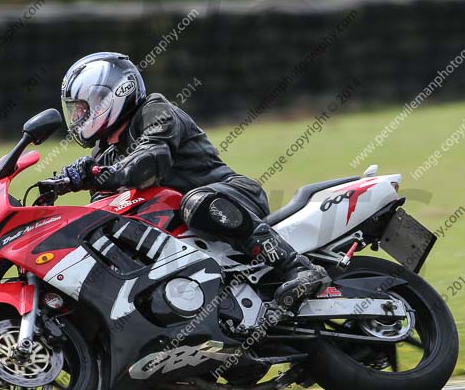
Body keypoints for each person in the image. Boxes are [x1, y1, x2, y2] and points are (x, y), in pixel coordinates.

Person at [56, 52, 328, 308]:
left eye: (82, 108)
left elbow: (150, 161)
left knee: (196, 202)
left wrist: (98, 175)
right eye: (75, 111)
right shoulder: (104, 152)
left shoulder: (154, 111)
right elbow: (106, 212)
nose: (78, 118)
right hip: (185, 227)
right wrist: (68, 184)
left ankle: (298, 268)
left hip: (231, 198)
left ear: (113, 94)